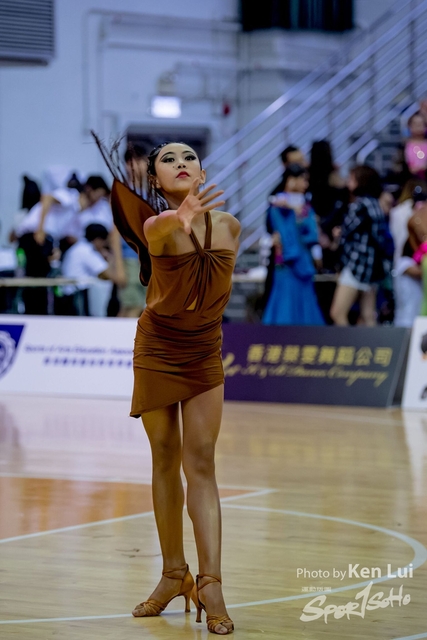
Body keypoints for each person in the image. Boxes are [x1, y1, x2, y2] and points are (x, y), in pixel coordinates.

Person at [93, 134, 240, 634]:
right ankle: (174, 574)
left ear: (201, 174)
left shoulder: (230, 226)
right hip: (157, 349)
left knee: (201, 462)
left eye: (189, 157)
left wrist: (193, 218)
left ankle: (211, 583)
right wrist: (179, 218)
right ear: (155, 181)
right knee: (164, 457)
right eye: (168, 160)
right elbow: (157, 233)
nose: (181, 163)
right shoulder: (156, 226)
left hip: (203, 351)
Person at [330, 166, 394, 326]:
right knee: (368, 316)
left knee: (337, 313)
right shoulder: (375, 204)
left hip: (357, 265)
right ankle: (372, 343)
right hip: (373, 268)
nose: (348, 183)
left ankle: (345, 342)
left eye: (351, 179)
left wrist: (338, 233)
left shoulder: (360, 205)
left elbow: (346, 230)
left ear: (361, 181)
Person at [262, 164, 324, 325]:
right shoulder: (278, 206)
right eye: (303, 180)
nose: (306, 184)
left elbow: (312, 234)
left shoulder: (304, 206)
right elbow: (277, 230)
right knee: (285, 300)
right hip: (287, 262)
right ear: (291, 180)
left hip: (301, 259)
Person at [59, 223, 121, 315]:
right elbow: (107, 275)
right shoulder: (86, 250)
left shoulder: (79, 246)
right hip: (77, 296)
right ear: (98, 240)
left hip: (71, 294)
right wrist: (112, 257)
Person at [117, 144, 149, 317]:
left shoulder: (147, 193)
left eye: (139, 161)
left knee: (139, 307)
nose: (135, 166)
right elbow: (114, 232)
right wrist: (119, 266)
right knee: (132, 306)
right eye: (130, 162)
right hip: (129, 259)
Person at [404, 112, 427, 179]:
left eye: (420, 124)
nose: (418, 126)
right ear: (410, 126)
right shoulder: (403, 146)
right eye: (415, 124)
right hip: (409, 180)